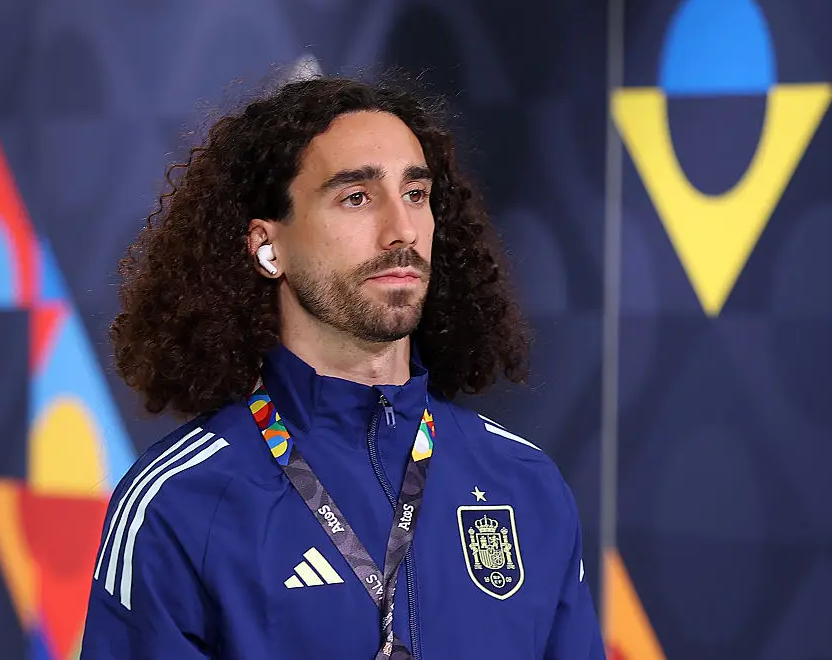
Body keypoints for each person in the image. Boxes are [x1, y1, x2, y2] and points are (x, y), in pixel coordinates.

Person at [79, 74, 605, 660]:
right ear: (267, 246)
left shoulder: (525, 481)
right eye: (356, 197)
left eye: (415, 195)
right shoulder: (179, 501)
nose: (401, 230)